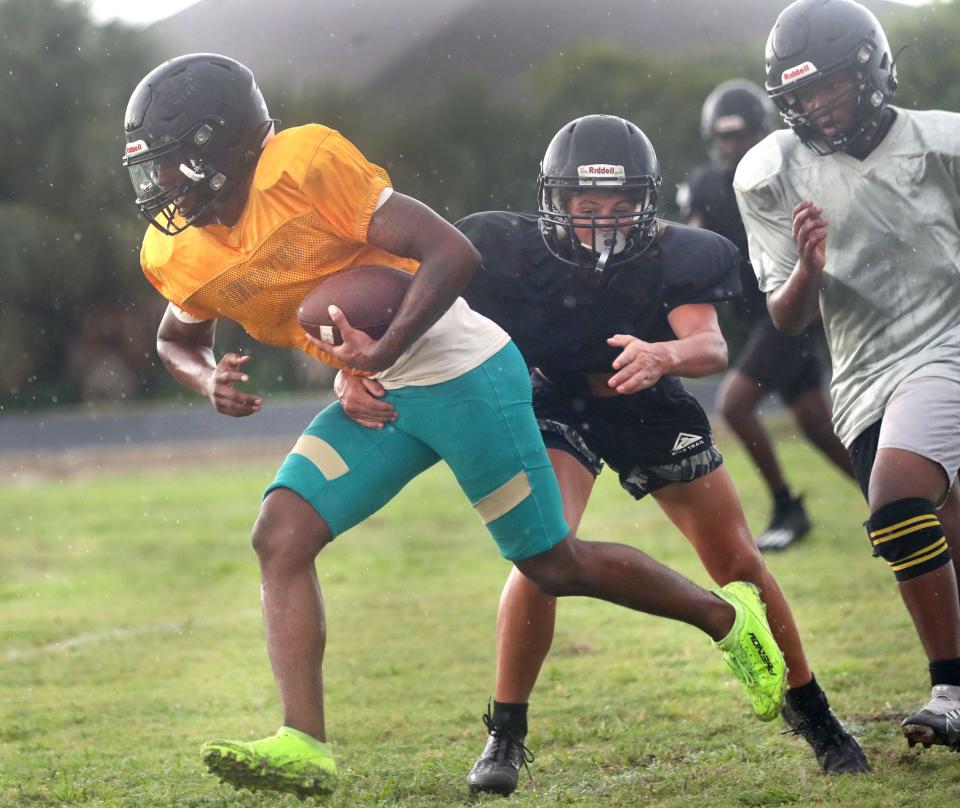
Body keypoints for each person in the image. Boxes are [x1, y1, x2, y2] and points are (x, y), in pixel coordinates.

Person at [122, 54, 789, 798]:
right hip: (377, 389)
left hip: (459, 367)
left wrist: (381, 348)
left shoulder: (302, 165)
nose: (164, 187)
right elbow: (176, 339)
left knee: (552, 564)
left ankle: (725, 619)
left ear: (224, 145)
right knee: (280, 532)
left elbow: (452, 251)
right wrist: (210, 377)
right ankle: (302, 742)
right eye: (155, 170)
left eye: (177, 164)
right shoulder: (180, 249)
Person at [336, 113, 869, 795]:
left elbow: (710, 348)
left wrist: (663, 354)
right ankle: (506, 729)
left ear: (649, 204)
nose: (602, 223)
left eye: (621, 208)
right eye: (586, 207)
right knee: (543, 547)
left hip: (647, 400)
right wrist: (347, 370)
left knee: (737, 559)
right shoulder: (496, 246)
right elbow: (402, 319)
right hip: (556, 398)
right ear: (554, 201)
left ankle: (817, 716)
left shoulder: (681, 253)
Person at [734, 0, 960, 750]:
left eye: (828, 86)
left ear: (870, 71)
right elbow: (790, 318)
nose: (816, 107)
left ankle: (950, 685)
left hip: (949, 343)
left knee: (897, 504)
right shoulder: (772, 172)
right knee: (942, 528)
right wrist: (806, 267)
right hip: (864, 374)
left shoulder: (943, 144)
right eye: (800, 95)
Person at [677, 79, 855, 552]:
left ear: (761, 133)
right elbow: (691, 247)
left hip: (790, 314)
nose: (734, 147)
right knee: (814, 420)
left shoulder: (786, 178)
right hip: (759, 319)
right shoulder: (704, 186)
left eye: (742, 136)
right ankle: (895, 502)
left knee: (734, 404)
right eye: (726, 138)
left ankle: (786, 505)